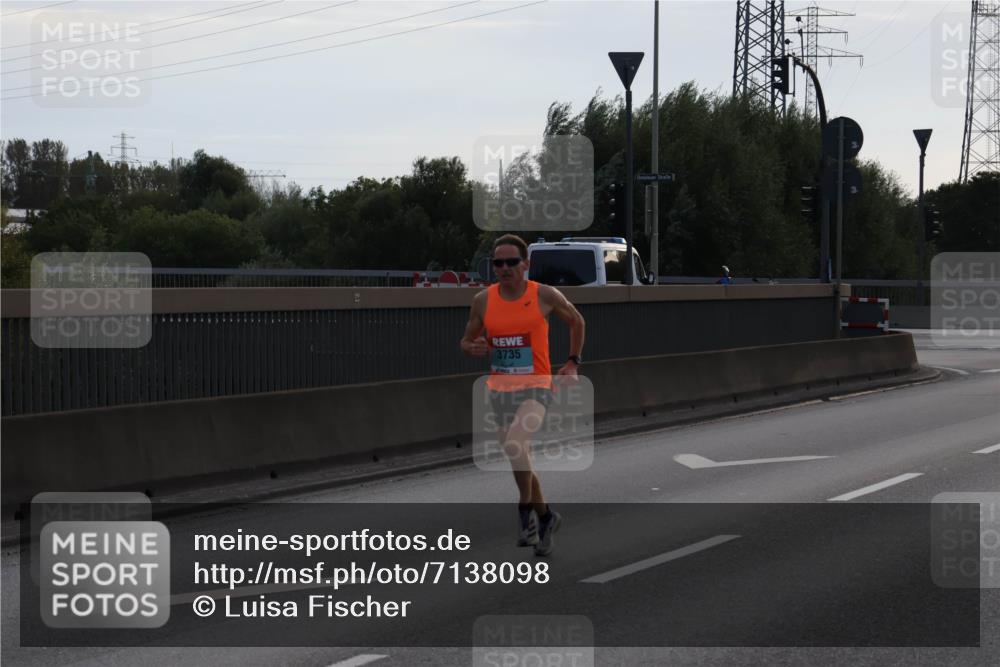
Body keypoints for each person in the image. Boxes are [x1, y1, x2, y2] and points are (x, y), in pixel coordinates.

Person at [460, 234, 585, 556]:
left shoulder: (543, 295)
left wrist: (572, 362)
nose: (504, 268)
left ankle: (524, 513)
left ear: (525, 264)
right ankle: (546, 517)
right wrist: (471, 347)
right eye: (498, 263)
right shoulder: (483, 300)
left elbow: (577, 321)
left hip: (536, 387)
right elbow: (467, 339)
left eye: (511, 262)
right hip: (499, 389)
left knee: (516, 444)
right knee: (519, 456)